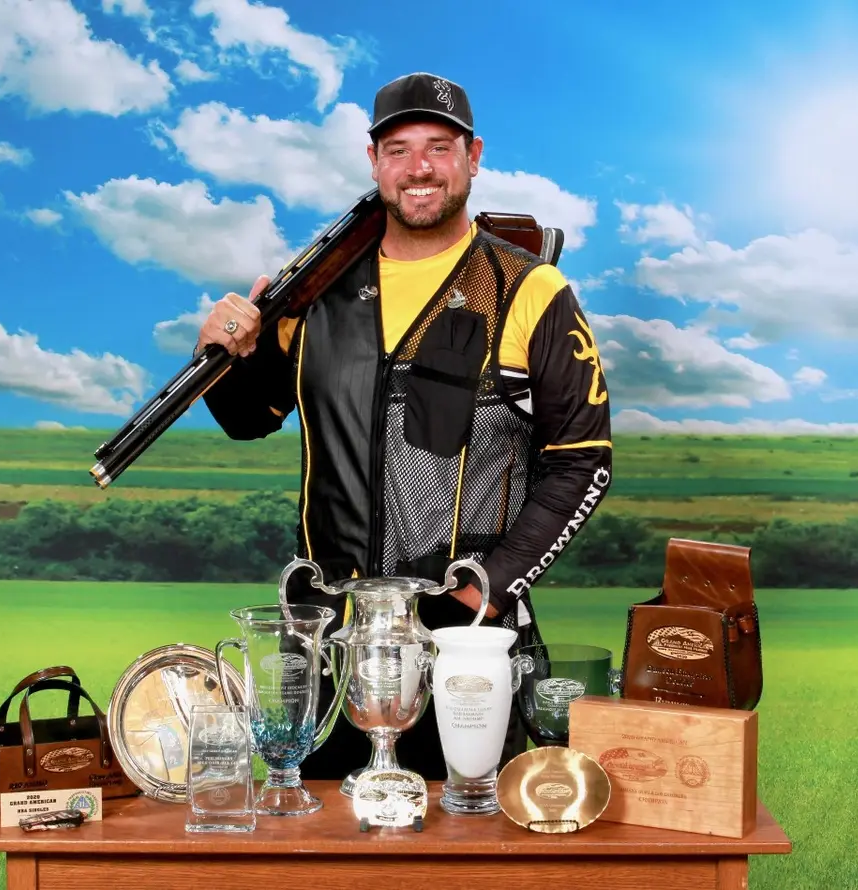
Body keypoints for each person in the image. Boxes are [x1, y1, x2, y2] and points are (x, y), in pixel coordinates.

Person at [195, 71, 613, 780]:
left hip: (461, 640)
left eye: (439, 147)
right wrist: (222, 356)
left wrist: (490, 586)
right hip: (323, 636)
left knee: (466, 843)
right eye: (398, 149)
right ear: (374, 163)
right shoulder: (317, 294)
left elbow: (583, 462)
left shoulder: (529, 290)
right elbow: (249, 418)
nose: (419, 167)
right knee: (320, 846)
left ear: (472, 157)